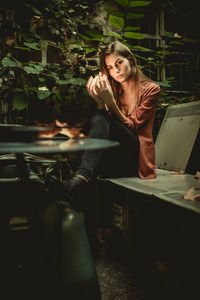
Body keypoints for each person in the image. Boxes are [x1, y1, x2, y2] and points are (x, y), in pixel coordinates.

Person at [61, 40, 161, 195]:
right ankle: (80, 181)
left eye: (119, 63)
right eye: (110, 68)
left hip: (136, 157)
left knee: (102, 118)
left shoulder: (151, 90)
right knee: (99, 120)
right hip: (115, 155)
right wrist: (100, 102)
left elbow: (131, 126)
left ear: (131, 60)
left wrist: (109, 102)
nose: (116, 70)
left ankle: (81, 176)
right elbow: (105, 129)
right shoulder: (112, 89)